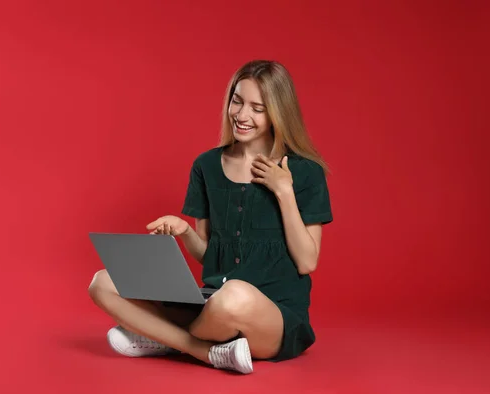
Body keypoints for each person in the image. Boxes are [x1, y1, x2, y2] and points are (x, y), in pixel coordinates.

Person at [88, 60, 333, 374]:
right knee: (102, 282)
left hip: (272, 316)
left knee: (234, 296)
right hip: (211, 304)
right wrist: (184, 232)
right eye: (237, 101)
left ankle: (161, 338)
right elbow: (209, 257)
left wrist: (284, 192)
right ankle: (204, 351)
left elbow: (307, 262)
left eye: (258, 108)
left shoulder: (305, 172)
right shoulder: (206, 166)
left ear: (278, 112)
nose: (242, 115)